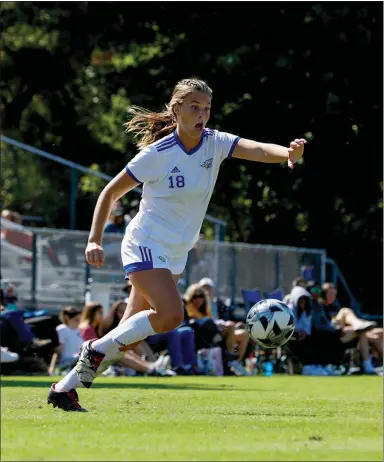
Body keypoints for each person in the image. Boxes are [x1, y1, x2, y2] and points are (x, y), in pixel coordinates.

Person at [47, 77, 306, 411]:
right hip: (145, 243)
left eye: (207, 109)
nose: (202, 115)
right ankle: (93, 349)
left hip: (175, 252)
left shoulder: (214, 143)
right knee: (170, 315)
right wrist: (94, 240)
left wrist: (287, 153)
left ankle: (63, 389)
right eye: (194, 107)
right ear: (176, 109)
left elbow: (254, 148)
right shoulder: (157, 154)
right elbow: (109, 193)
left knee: (130, 337)